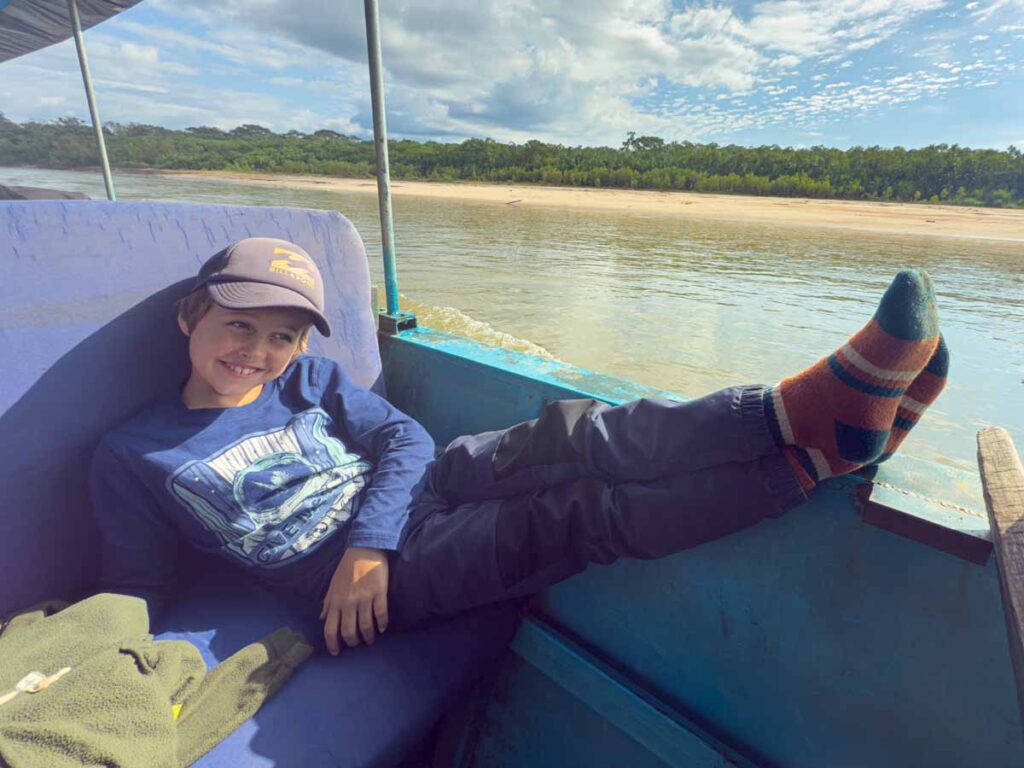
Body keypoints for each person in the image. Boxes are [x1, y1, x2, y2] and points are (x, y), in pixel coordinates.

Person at [90, 238, 949, 656]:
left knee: (573, 433)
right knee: (579, 516)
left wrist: (367, 538)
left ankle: (794, 414)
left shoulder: (305, 385)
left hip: (400, 511)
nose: (257, 352)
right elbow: (136, 583)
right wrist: (99, 659)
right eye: (239, 326)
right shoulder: (133, 455)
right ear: (189, 317)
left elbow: (405, 437)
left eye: (281, 337)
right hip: (376, 583)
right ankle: (813, 455)